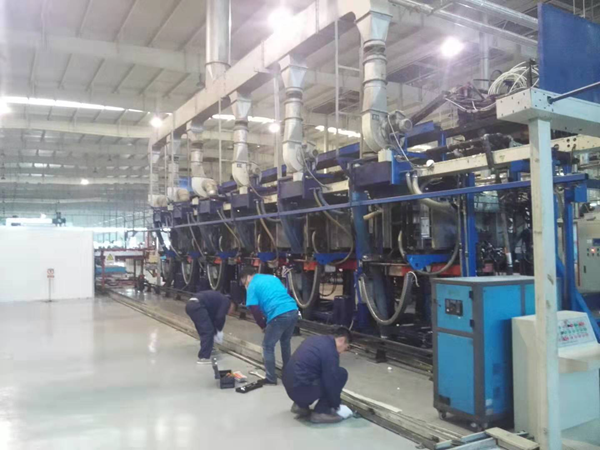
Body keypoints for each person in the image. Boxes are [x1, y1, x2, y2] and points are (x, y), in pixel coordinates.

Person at [240, 268, 299, 385]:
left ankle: (271, 378)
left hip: (279, 314)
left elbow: (254, 308)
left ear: (247, 277)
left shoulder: (252, 285)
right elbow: (285, 293)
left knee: (268, 346)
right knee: (285, 342)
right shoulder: (272, 278)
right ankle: (287, 372)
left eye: (244, 282)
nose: (245, 285)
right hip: (293, 310)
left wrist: (262, 325)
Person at [282, 327, 352, 424]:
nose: (342, 352)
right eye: (346, 348)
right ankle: (321, 412)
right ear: (342, 340)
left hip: (289, 385)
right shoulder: (330, 351)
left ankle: (300, 406)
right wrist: (335, 405)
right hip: (301, 390)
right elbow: (331, 381)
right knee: (341, 374)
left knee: (311, 374)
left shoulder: (314, 340)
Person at [185, 290, 232, 364]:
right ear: (232, 305)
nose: (231, 313)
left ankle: (210, 348)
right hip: (197, 306)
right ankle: (204, 357)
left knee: (204, 329)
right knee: (207, 331)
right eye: (233, 311)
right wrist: (218, 331)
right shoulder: (226, 301)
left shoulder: (217, 300)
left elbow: (212, 319)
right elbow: (220, 317)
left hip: (190, 305)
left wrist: (215, 331)